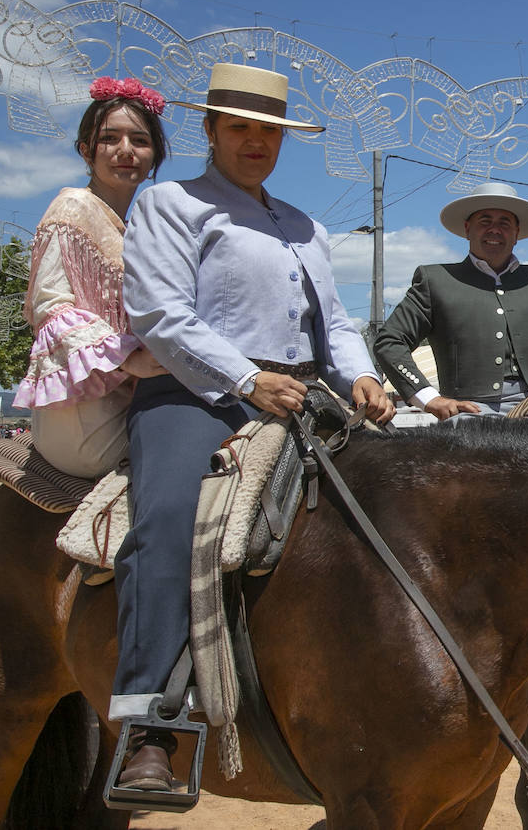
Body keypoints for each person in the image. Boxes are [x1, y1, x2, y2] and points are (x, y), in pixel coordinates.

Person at [113, 63, 394, 794]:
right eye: (239, 127)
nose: (256, 142)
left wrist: (361, 374)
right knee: (170, 517)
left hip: (301, 395)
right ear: (209, 131)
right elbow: (162, 316)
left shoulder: (306, 226)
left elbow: (333, 322)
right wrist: (244, 378)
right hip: (192, 393)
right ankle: (151, 726)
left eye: (269, 131)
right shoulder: (169, 204)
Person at [12, 77, 170, 478]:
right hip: (82, 412)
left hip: (129, 396)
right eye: (109, 139)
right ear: (85, 150)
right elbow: (52, 306)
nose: (125, 151)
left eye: (139, 140)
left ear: (155, 157)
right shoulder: (73, 206)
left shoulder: (136, 228)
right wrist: (128, 358)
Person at [373, 182, 528, 419]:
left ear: (516, 233)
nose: (494, 229)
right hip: (469, 414)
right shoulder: (436, 281)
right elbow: (390, 341)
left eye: (504, 222)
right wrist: (428, 397)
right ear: (467, 229)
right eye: (485, 221)